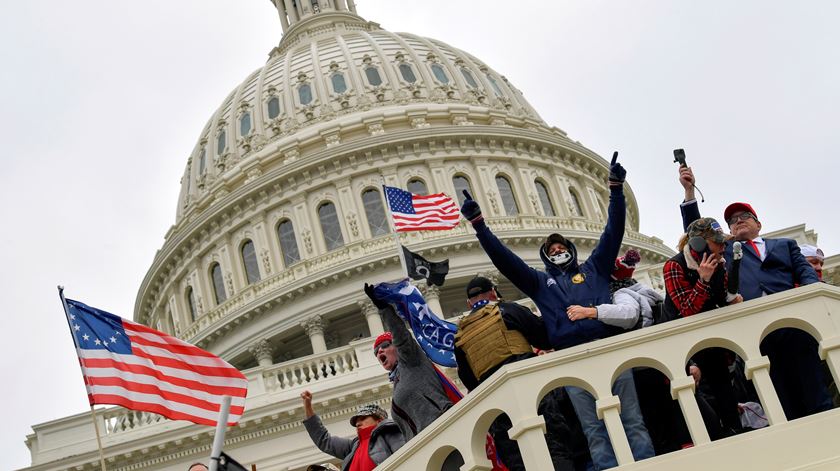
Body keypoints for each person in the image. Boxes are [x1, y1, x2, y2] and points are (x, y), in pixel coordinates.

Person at [461, 154, 655, 470]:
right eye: (552, 251)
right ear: (545, 258)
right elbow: (506, 261)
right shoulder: (540, 284)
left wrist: (616, 190)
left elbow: (613, 232)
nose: (558, 252)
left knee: (631, 417)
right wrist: (480, 226)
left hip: (608, 348)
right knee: (593, 429)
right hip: (571, 358)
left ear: (571, 250)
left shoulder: (594, 269)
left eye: (561, 248)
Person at [678, 166, 831, 420]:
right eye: (732, 220)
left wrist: (809, 302)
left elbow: (806, 274)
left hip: (793, 323)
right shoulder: (727, 250)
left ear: (758, 224)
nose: (738, 220)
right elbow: (697, 231)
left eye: (744, 216)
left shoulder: (784, 245)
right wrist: (689, 192)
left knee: (814, 387)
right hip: (757, 330)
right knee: (779, 398)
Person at [454, 276, 578, 471]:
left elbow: (469, 380)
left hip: (498, 405)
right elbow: (543, 338)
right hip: (530, 389)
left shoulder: (461, 334)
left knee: (518, 458)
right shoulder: (507, 310)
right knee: (554, 444)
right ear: (493, 293)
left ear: (469, 303)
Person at [661, 216, 744, 436]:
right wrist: (703, 280)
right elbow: (687, 310)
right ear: (699, 244)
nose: (723, 246)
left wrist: (731, 300)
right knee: (697, 404)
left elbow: (721, 299)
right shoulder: (674, 265)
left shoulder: (720, 264)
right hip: (683, 347)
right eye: (718, 242)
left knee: (726, 397)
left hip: (711, 341)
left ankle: (735, 431)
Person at [363, 284, 454, 441]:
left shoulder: (411, 361)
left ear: (396, 347)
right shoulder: (398, 380)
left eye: (385, 345)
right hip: (426, 442)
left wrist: (384, 309)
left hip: (443, 427)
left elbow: (401, 336)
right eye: (376, 351)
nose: (380, 351)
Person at [301, 390, 404, 471]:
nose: (357, 424)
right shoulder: (353, 447)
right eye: (356, 422)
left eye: (363, 418)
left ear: (379, 420)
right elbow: (324, 441)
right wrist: (308, 406)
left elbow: (405, 458)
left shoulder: (390, 431)